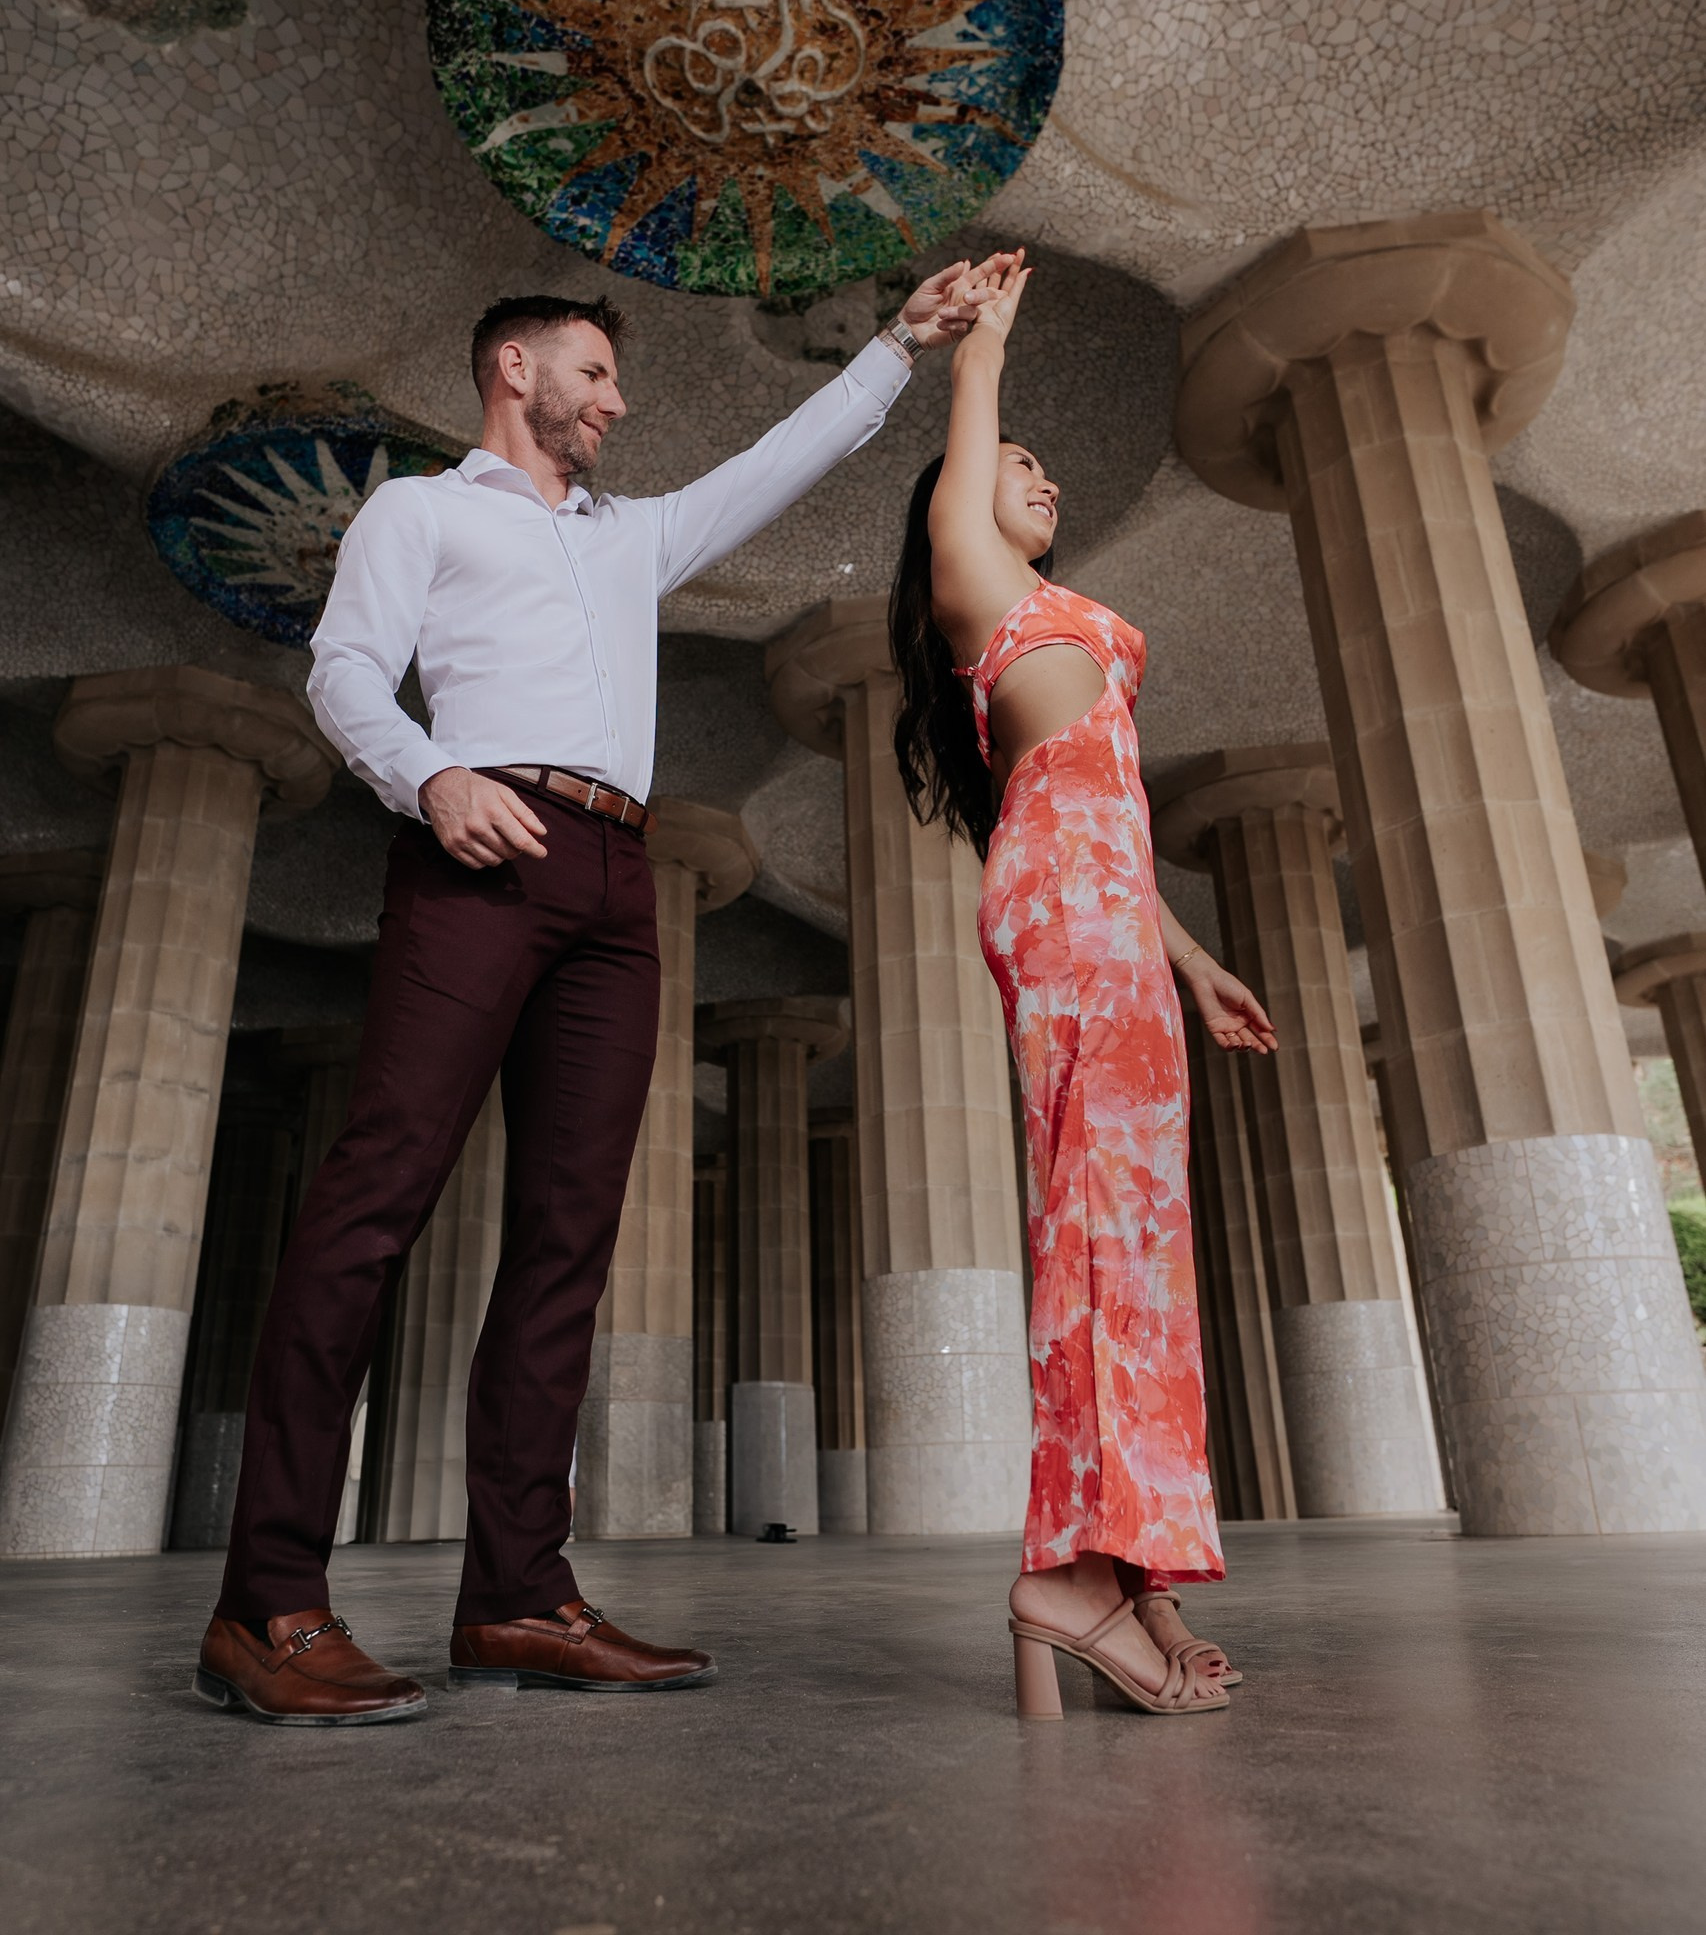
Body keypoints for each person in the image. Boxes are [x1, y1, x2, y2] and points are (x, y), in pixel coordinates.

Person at [198, 260, 1000, 1725]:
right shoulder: (419, 511)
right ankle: (267, 1606)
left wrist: (902, 342)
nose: (616, 405)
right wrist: (426, 777)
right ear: (515, 369)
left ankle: (515, 1595)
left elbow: (783, 457)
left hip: (620, 882)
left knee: (570, 1235)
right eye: (595, 377)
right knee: (374, 1201)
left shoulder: (632, 537)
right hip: (475, 849)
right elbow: (344, 674)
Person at [890, 250, 1276, 1720]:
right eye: (1012, 464)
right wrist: (982, 349)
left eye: (1045, 470)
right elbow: (1067, 839)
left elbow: (1110, 819)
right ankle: (1071, 1577)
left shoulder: (1066, 615)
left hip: (1111, 916)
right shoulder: (977, 592)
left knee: (1137, 1236)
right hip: (1062, 917)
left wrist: (1193, 957)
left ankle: (1126, 1563)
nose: (1033, 480)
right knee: (1100, 1228)